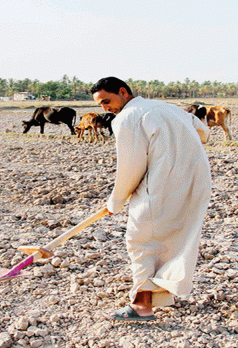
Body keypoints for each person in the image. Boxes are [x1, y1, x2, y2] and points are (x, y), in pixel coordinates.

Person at [90, 77, 212, 322]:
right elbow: (204, 133)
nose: (105, 108)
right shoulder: (168, 107)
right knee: (174, 236)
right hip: (197, 181)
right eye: (101, 104)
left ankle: (141, 306)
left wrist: (116, 201)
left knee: (141, 240)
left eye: (107, 101)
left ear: (123, 92)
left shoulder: (127, 118)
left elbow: (130, 167)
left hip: (162, 184)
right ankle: (164, 291)